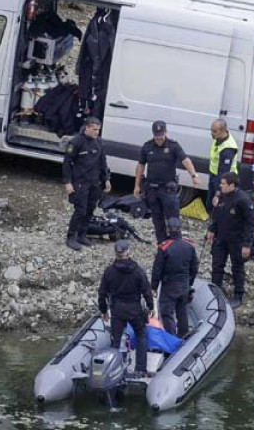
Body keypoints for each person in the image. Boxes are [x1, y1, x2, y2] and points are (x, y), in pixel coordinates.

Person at [134, 120, 201, 243]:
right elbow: (140, 166)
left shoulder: (173, 145)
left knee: (173, 220)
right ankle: (162, 244)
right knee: (157, 219)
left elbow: (185, 160)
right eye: (156, 136)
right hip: (152, 189)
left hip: (167, 189)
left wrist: (194, 175)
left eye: (161, 136)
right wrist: (137, 185)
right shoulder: (147, 146)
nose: (159, 139)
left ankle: (176, 244)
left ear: (166, 132)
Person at [97, 239, 154, 377]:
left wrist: (103, 311)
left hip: (117, 310)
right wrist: (151, 307)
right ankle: (140, 369)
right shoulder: (137, 271)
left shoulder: (109, 272)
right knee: (141, 335)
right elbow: (146, 290)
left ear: (116, 253)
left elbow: (102, 293)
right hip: (134, 309)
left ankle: (113, 369)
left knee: (115, 340)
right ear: (128, 252)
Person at [207, 172, 254, 309]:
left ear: (232, 185)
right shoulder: (222, 196)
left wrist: (247, 244)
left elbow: (250, 224)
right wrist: (211, 229)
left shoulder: (243, 200)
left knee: (237, 267)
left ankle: (238, 295)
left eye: (223, 184)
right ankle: (216, 291)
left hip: (237, 240)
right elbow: (217, 215)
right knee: (217, 264)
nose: (220, 186)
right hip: (221, 237)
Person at [63, 117, 111, 251]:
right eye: (94, 129)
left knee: (90, 209)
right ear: (87, 128)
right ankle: (71, 237)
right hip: (80, 182)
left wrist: (106, 179)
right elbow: (67, 163)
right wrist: (68, 182)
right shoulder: (76, 142)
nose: (97, 132)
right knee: (80, 210)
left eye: (98, 130)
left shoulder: (99, 143)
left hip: (95, 182)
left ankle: (82, 235)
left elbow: (103, 162)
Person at [151, 218, 198, 337]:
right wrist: (189, 282)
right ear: (180, 229)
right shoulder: (189, 246)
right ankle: (184, 335)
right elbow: (194, 268)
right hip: (184, 284)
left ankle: (171, 339)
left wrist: (154, 287)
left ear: (168, 230)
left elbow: (157, 269)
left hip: (169, 285)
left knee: (167, 313)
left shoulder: (164, 247)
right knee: (182, 311)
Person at [207, 119, 239, 210]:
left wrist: (218, 192)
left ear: (223, 130)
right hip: (214, 174)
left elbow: (224, 172)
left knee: (218, 205)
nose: (212, 133)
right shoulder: (219, 138)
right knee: (210, 204)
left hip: (225, 179)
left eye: (214, 131)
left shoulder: (228, 148)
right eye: (211, 130)